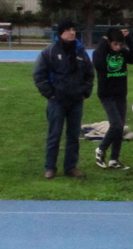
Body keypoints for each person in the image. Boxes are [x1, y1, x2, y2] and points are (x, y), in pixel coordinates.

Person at [32, 19, 94, 179]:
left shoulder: (80, 51)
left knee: (73, 136)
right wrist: (50, 94)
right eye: (67, 30)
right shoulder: (50, 51)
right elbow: (39, 74)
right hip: (57, 101)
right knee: (54, 134)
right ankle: (50, 168)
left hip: (76, 100)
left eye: (73, 29)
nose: (71, 32)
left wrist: (85, 91)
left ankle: (71, 167)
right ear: (61, 34)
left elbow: (89, 73)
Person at [93, 27, 133, 170]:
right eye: (115, 44)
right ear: (109, 42)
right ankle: (101, 149)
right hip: (107, 94)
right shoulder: (100, 52)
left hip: (120, 94)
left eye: (120, 45)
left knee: (119, 129)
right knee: (117, 124)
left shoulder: (122, 52)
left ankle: (114, 159)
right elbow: (99, 65)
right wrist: (103, 43)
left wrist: (129, 40)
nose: (118, 47)